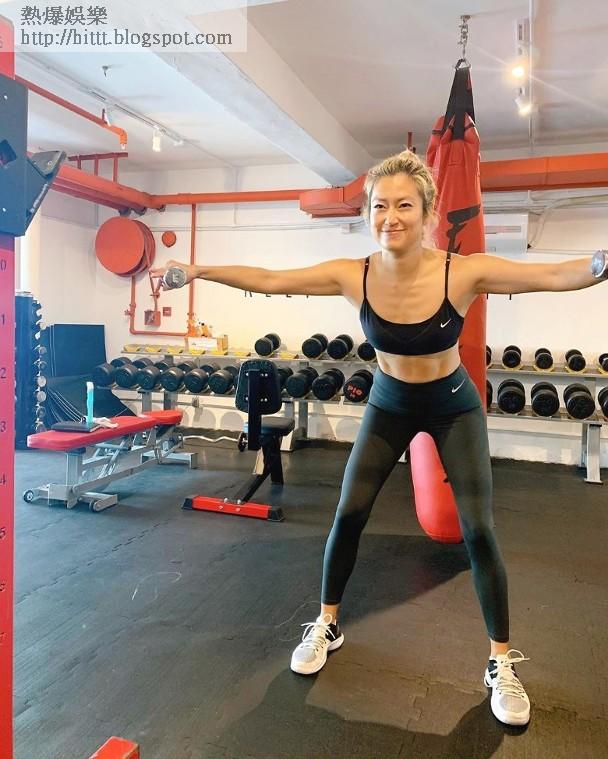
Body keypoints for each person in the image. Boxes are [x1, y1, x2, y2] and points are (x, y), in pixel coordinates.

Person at [151, 150, 608, 727]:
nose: (390, 217)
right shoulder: (355, 274)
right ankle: (327, 624)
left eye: (404, 206)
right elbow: (270, 279)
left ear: (428, 213)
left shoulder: (461, 271)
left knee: (478, 528)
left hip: (452, 406)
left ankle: (500, 661)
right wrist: (198, 271)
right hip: (389, 404)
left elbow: (550, 276)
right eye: (379, 206)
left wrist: (600, 263)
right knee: (349, 513)